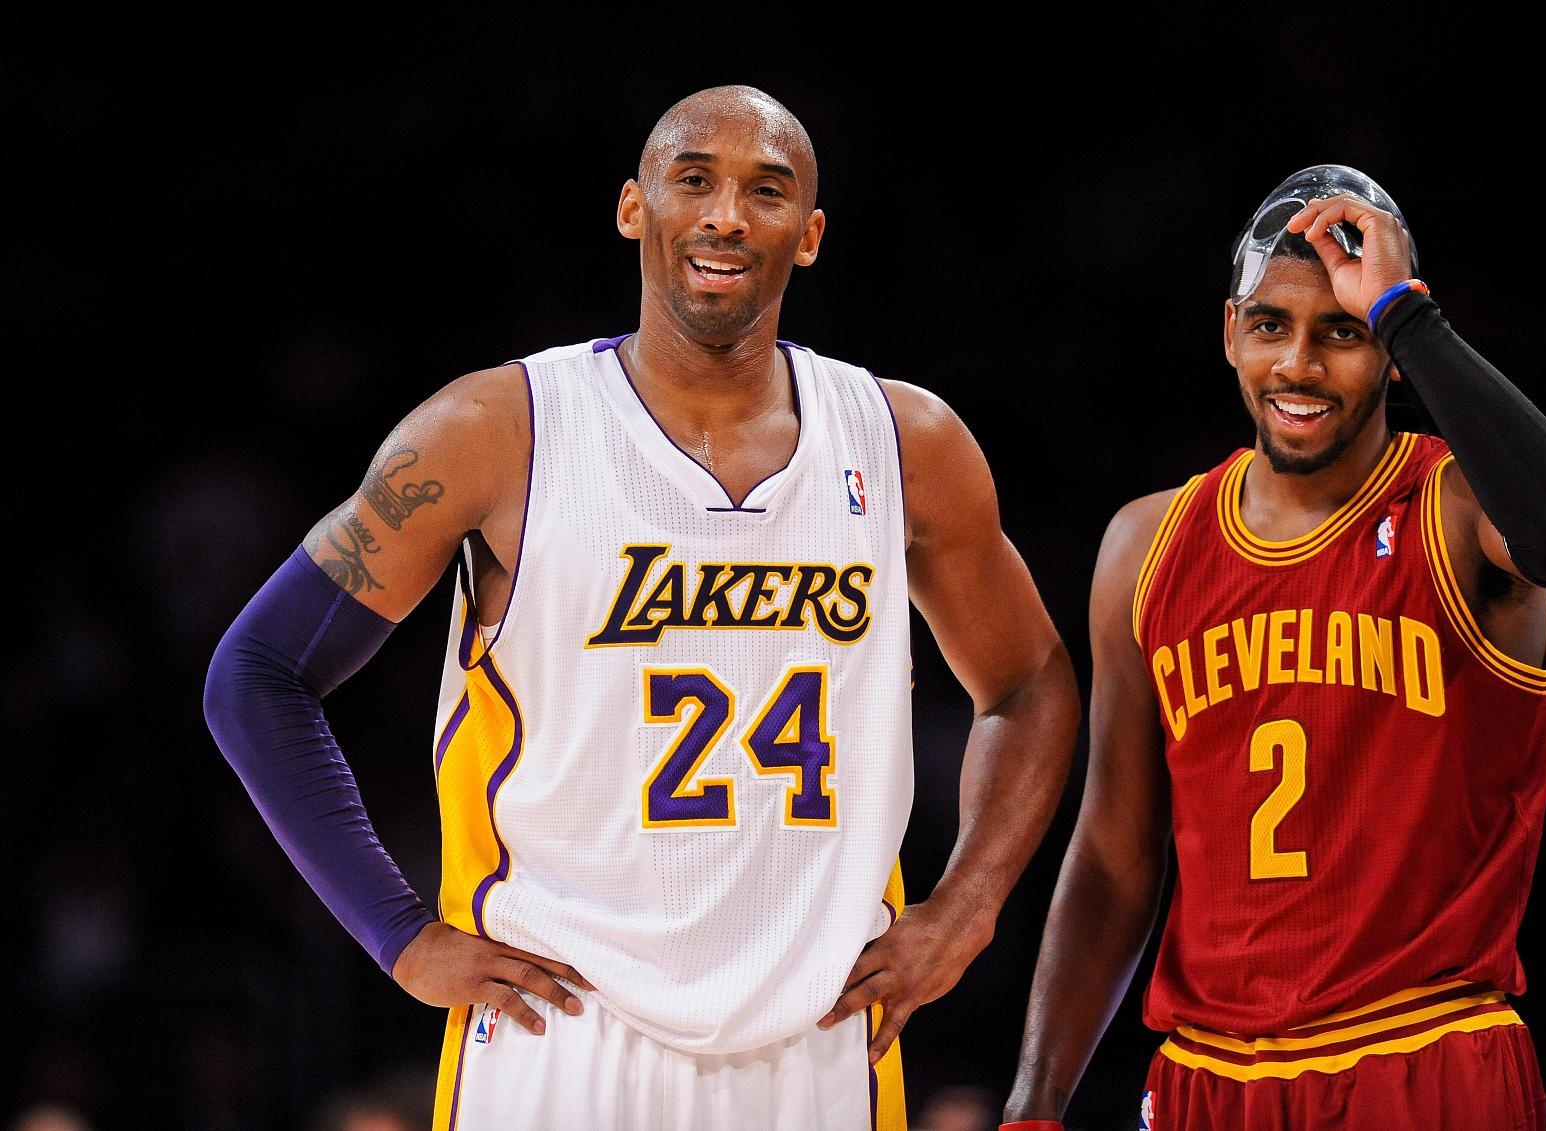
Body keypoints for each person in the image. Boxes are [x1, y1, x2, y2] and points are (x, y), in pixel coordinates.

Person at [203, 84, 1080, 1131]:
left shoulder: (906, 442)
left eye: (766, 191)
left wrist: (968, 907)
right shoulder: (496, 429)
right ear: (633, 207)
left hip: (819, 1029)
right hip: (558, 1027)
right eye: (693, 180)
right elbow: (256, 674)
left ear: (809, 236)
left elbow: (1030, 681)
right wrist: (398, 933)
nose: (726, 216)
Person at [999, 164, 1546, 1131]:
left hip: (1421, 1052)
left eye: (1342, 332)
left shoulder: (1457, 508)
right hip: (1211, 1073)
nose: (1298, 364)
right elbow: (1116, 854)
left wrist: (1407, 311)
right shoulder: (1147, 545)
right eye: (1270, 325)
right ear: (1230, 332)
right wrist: (1034, 1105)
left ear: (1394, 350)